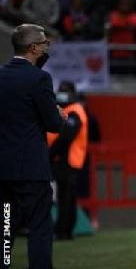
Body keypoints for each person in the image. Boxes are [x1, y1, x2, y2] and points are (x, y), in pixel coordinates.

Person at [0, 24, 64, 269]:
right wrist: (58, 114)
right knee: (39, 227)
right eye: (45, 43)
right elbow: (53, 124)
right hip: (31, 171)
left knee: (5, 226)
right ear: (34, 48)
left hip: (3, 169)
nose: (48, 46)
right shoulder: (40, 78)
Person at [47, 81, 88, 240]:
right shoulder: (70, 110)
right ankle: (66, 230)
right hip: (68, 159)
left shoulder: (75, 112)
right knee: (67, 196)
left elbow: (66, 138)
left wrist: (50, 153)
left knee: (65, 197)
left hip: (67, 159)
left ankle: (63, 230)